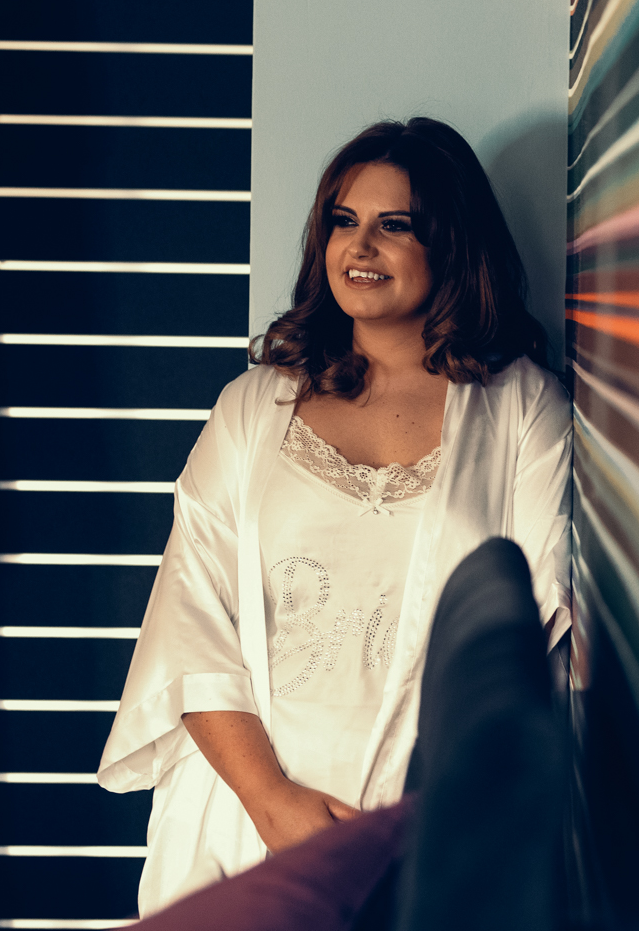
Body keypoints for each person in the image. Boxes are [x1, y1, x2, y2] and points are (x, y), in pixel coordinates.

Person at [97, 118, 572, 916]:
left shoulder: (521, 407)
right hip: (240, 818)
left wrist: (435, 821)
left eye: (396, 225)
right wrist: (272, 800)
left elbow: (533, 633)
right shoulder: (253, 409)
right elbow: (190, 618)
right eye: (344, 222)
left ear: (451, 243)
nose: (362, 246)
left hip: (428, 829)